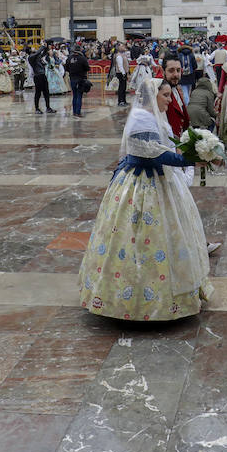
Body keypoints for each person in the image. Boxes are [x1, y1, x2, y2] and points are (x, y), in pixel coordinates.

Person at [78, 77, 212, 321]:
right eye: (165, 96)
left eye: (170, 96)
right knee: (136, 237)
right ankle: (131, 300)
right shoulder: (141, 119)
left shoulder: (153, 117)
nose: (169, 101)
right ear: (152, 96)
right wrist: (189, 160)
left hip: (160, 181)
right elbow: (153, 154)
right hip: (141, 185)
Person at [162, 58, 191, 136]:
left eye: (178, 70)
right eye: (171, 71)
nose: (176, 74)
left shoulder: (176, 88)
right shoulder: (159, 93)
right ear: (163, 71)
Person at [65, 45, 90, 118]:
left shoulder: (69, 58)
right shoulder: (82, 58)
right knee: (79, 95)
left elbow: (66, 68)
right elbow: (87, 68)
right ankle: (78, 112)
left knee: (74, 95)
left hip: (72, 78)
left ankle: (74, 112)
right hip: (81, 79)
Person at [29, 46, 54, 113]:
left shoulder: (37, 57)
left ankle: (48, 108)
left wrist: (46, 46)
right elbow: (38, 53)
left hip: (43, 75)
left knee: (46, 92)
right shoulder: (31, 58)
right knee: (38, 93)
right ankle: (37, 108)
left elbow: (44, 53)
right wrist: (42, 47)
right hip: (37, 76)